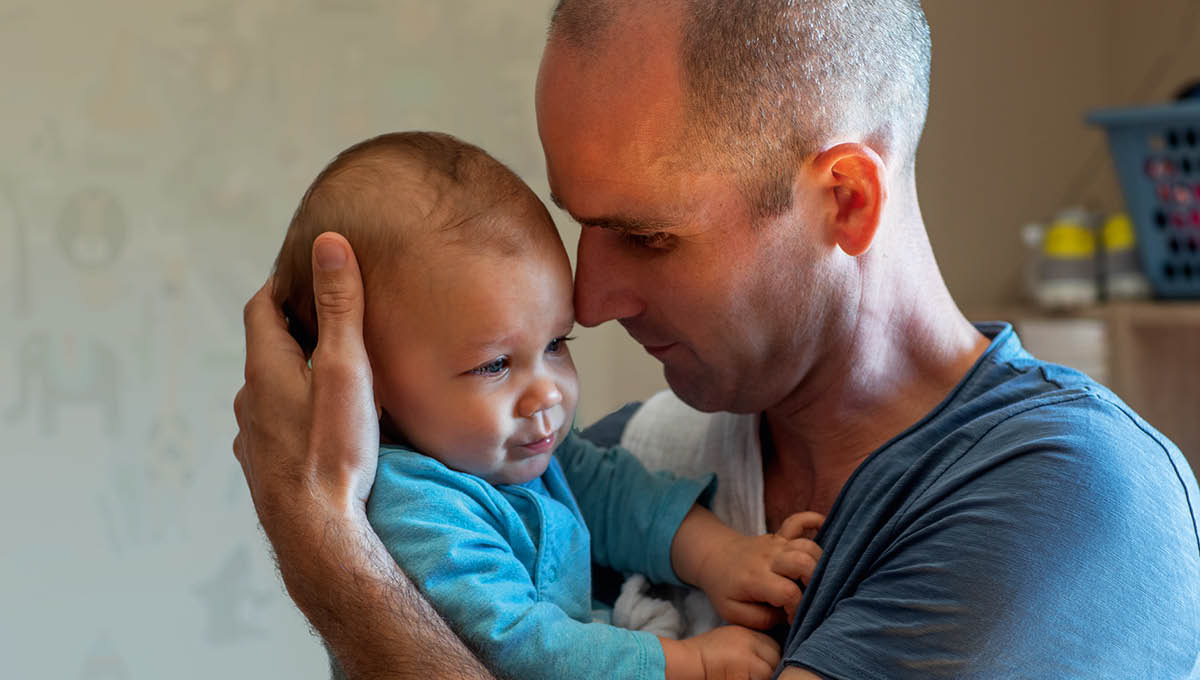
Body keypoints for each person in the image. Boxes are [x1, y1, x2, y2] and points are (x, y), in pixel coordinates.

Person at [233, 1, 1200, 678]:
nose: (590, 294)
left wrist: (326, 541)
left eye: (647, 235)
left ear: (847, 201)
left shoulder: (1066, 495)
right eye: (580, 224)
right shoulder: (609, 463)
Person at [268, 130, 822, 680]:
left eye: (556, 344)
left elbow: (613, 495)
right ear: (368, 382)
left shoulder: (509, 449)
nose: (548, 393)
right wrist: (684, 663)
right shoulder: (413, 508)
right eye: (494, 365)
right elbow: (519, 647)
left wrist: (722, 558)